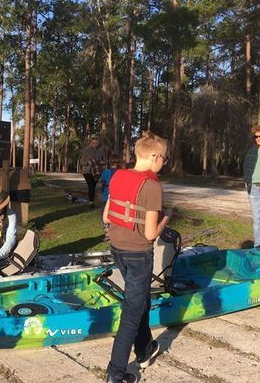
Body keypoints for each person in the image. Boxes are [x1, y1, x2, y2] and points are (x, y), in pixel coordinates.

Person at [103, 131, 172, 383]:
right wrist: (167, 217)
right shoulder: (152, 185)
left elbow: (106, 216)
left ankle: (145, 349)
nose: (164, 162)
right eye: (163, 158)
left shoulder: (118, 175)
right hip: (139, 255)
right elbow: (151, 233)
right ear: (154, 156)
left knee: (139, 299)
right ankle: (115, 374)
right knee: (131, 313)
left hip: (117, 250)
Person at [79, 134, 106, 208]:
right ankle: (91, 202)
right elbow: (81, 161)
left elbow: (105, 161)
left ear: (98, 143)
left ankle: (91, 200)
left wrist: (101, 162)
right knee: (91, 185)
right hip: (87, 171)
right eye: (93, 143)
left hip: (97, 172)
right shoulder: (86, 151)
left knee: (93, 186)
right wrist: (88, 162)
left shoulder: (101, 151)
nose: (94, 144)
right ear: (90, 143)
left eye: (96, 143)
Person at [99, 155, 120, 240]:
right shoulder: (120, 172)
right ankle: (115, 231)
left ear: (109, 162)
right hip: (117, 198)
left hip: (106, 197)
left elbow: (101, 181)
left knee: (103, 214)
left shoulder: (106, 172)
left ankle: (107, 232)